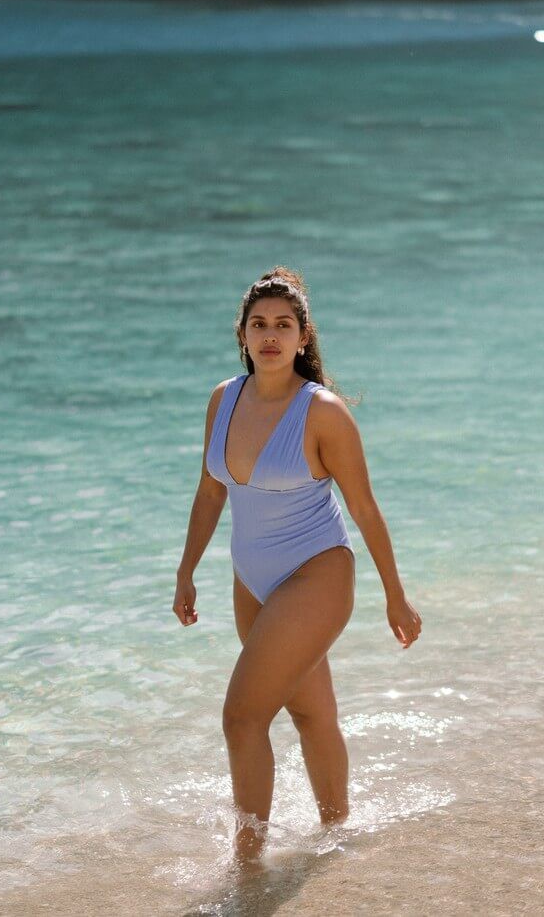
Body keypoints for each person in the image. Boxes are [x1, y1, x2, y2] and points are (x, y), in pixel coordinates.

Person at [173, 266, 422, 866]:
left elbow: (364, 507)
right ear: (242, 333)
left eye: (284, 325)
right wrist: (185, 572)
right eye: (259, 324)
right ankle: (337, 841)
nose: (270, 336)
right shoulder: (222, 400)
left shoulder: (324, 413)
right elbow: (210, 494)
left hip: (318, 573)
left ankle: (248, 865)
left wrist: (396, 595)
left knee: (241, 717)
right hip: (250, 580)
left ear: (303, 336)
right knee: (310, 713)